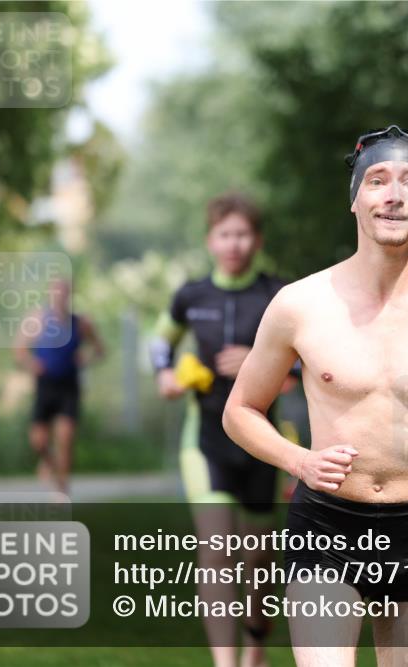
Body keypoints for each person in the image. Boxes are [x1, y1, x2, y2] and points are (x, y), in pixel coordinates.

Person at [223, 125, 408, 667]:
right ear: (355, 200)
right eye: (378, 180)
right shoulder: (300, 305)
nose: (394, 194)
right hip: (326, 527)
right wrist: (299, 461)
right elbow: (240, 411)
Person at [150, 192, 300, 667]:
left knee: (257, 559)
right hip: (206, 442)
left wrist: (260, 364)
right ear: (210, 240)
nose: (234, 244)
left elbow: (307, 362)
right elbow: (159, 341)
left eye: (243, 234)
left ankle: (255, 645)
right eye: (225, 234)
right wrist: (166, 375)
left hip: (261, 444)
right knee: (216, 551)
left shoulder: (279, 296)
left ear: (258, 240)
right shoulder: (191, 296)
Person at [14, 278, 106, 496]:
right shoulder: (37, 319)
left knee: (65, 438)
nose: (60, 297)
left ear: (69, 295)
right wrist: (32, 364)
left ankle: (62, 490)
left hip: (68, 386)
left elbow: (100, 350)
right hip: (45, 385)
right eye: (56, 292)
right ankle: (48, 461)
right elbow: (19, 350)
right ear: (49, 294)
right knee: (38, 441)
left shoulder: (81, 323)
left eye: (64, 292)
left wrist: (85, 359)